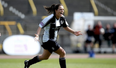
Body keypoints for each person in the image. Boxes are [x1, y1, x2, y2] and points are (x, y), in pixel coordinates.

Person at [24, 4, 82, 68]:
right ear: (56, 10)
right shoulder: (50, 18)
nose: (62, 11)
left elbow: (65, 27)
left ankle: (28, 63)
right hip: (48, 40)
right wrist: (37, 35)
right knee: (62, 53)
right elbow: (40, 25)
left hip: (53, 40)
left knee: (45, 57)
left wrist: (74, 32)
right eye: (60, 9)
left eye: (63, 9)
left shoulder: (62, 18)